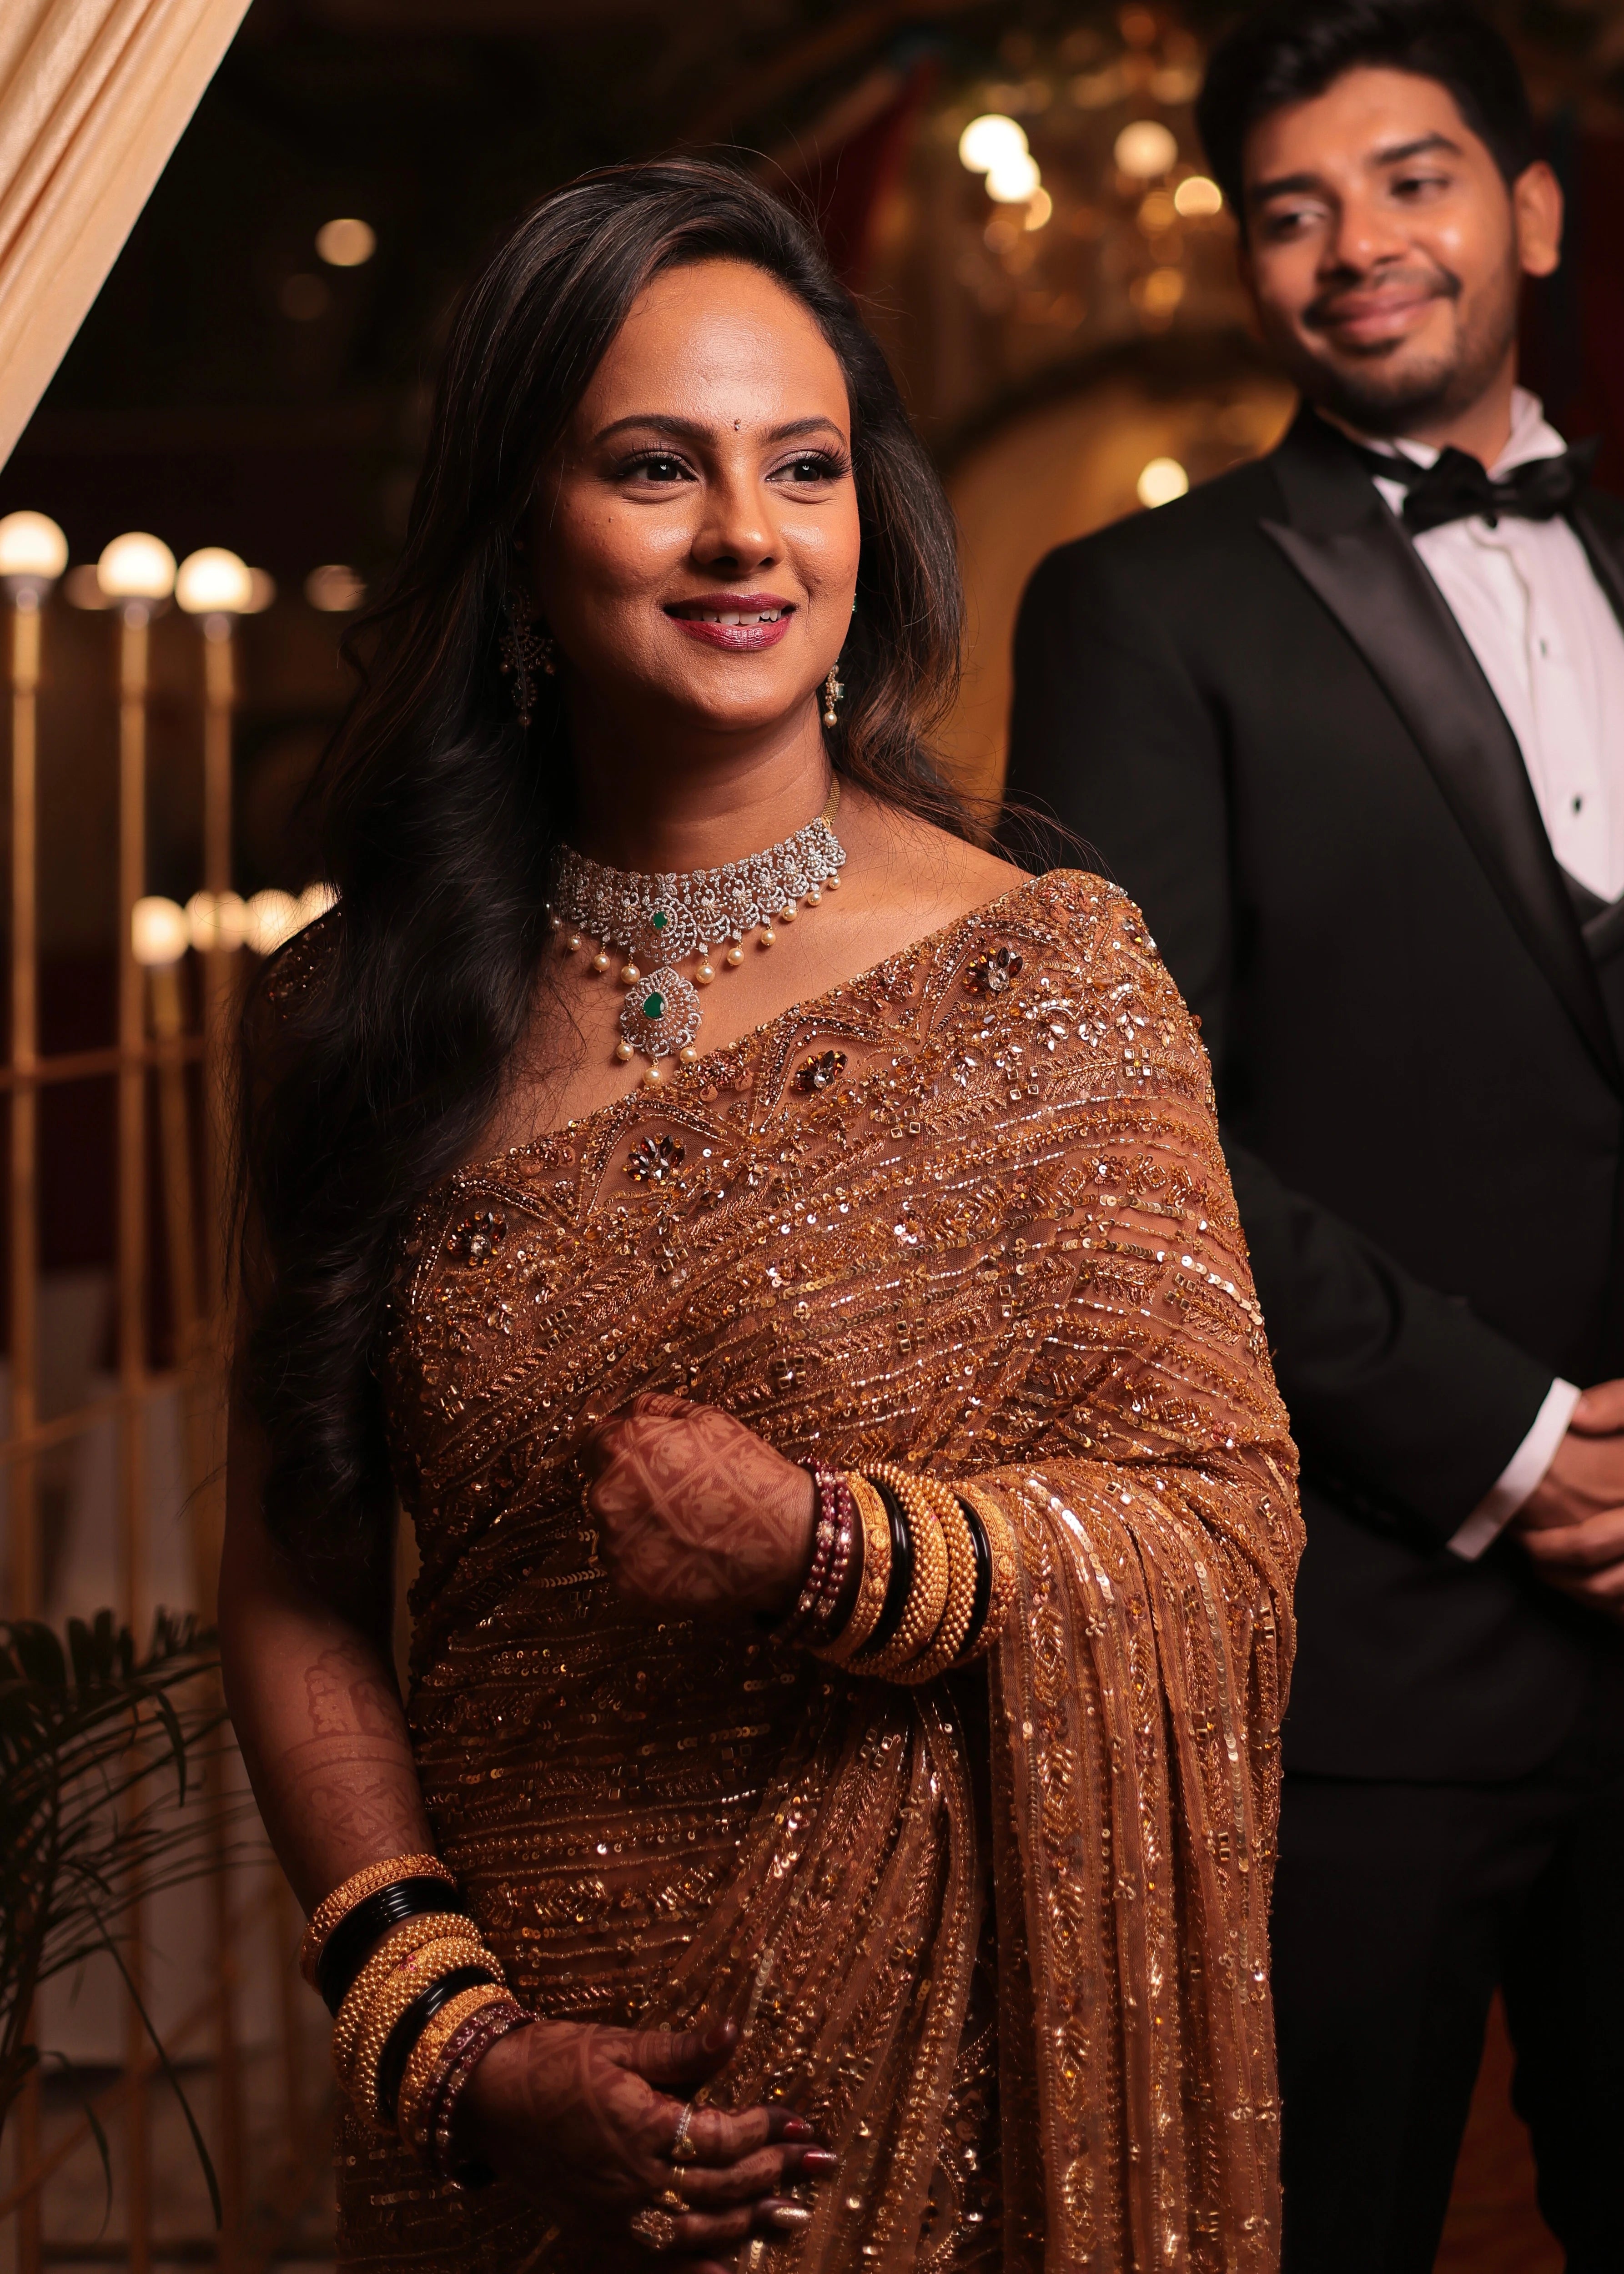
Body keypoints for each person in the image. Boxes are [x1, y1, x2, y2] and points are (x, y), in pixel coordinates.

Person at [220, 160, 1301, 2274]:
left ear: (864, 520)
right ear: (522, 544)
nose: (745, 535)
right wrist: (456, 2042)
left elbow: (1218, 1524)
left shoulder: (1042, 980)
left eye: (801, 466)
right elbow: (293, 1585)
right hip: (521, 2132)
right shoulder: (353, 1019)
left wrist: (831, 1544)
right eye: (654, 466)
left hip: (942, 2091)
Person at [1001, 5, 1624, 2268]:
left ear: (1534, 205)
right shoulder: (1141, 608)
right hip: (1358, 1656)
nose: (1354, 246)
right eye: (1290, 208)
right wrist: (1512, 1442)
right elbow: (1136, 1131)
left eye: (1409, 178)